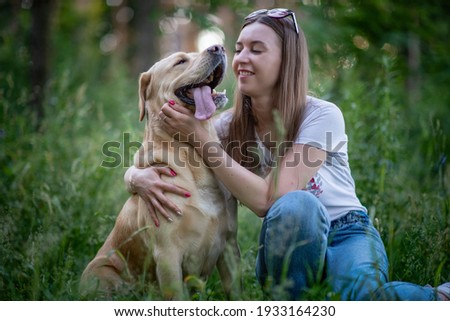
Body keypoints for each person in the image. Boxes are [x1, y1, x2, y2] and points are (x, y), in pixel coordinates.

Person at [124, 8, 449, 300]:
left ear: (286, 60)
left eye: (256, 49)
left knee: (363, 297)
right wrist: (136, 177)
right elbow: (154, 153)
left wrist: (201, 140)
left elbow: (271, 199)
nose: (240, 59)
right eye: (238, 50)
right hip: (291, 243)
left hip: (347, 232)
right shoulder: (225, 128)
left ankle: (438, 298)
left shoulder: (322, 115)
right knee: (297, 210)